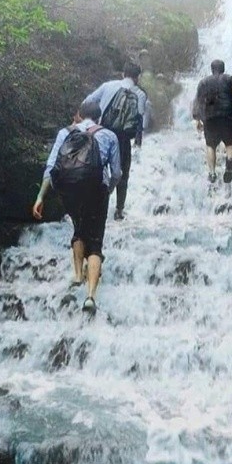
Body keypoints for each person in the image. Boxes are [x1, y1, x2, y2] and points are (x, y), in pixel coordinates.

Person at [32, 101, 121, 314]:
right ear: (99, 118)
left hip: (69, 191)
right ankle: (90, 296)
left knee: (79, 229)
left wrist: (40, 197)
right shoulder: (108, 136)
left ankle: (78, 276)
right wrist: (107, 190)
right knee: (95, 241)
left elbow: (52, 166)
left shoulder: (65, 133)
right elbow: (116, 173)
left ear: (79, 115)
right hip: (96, 190)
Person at [82, 61, 147, 220]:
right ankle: (119, 210)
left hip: (102, 135)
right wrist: (138, 139)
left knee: (96, 168)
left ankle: (92, 204)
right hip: (123, 140)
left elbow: (87, 102)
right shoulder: (140, 94)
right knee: (122, 174)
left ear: (123, 74)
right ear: (137, 77)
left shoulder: (108, 86)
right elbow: (139, 118)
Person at [192, 58, 232, 183]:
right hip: (228, 116)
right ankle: (229, 163)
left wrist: (197, 120)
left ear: (212, 70)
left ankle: (212, 173)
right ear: (223, 69)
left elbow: (197, 102)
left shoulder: (203, 83)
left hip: (210, 116)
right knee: (230, 143)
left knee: (210, 145)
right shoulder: (229, 78)